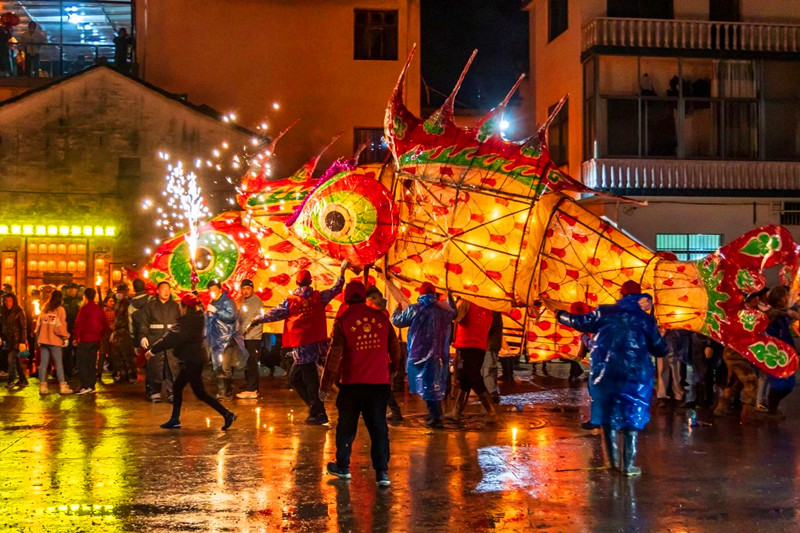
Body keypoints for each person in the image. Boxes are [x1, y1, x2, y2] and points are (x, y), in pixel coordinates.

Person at [556, 280, 668, 476]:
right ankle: (628, 466)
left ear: (620, 294)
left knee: (606, 414)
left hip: (605, 373)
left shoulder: (604, 311)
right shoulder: (646, 320)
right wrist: (661, 337)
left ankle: (612, 462)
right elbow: (659, 349)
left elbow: (580, 322)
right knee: (631, 416)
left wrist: (560, 314)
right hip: (636, 375)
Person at [320, 280, 400, 486]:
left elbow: (333, 356)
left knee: (346, 427)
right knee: (379, 428)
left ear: (345, 298)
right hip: (378, 384)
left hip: (352, 384)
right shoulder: (381, 319)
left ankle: (343, 467)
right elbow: (395, 348)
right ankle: (382, 473)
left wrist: (325, 386)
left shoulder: (343, 321)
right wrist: (391, 371)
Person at [248, 263, 348, 424]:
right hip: (317, 345)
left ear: (297, 282)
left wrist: (256, 320)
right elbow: (336, 289)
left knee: (310, 380)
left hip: (302, 347)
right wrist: (342, 272)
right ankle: (315, 408)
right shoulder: (318, 297)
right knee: (296, 377)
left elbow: (273, 314)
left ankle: (319, 412)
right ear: (310, 282)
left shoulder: (291, 301)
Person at [149, 293, 237, 431]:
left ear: (184, 306)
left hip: (192, 360)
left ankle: (227, 414)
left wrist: (153, 350)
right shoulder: (196, 318)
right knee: (177, 387)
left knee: (200, 393)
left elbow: (172, 338)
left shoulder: (188, 322)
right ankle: (175, 419)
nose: (178, 306)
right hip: (192, 358)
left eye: (180, 304)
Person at [391, 282, 457, 428]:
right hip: (439, 353)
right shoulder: (444, 309)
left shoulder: (415, 308)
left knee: (426, 384)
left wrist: (396, 310)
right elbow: (455, 313)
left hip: (419, 353)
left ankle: (436, 416)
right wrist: (450, 297)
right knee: (433, 384)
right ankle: (434, 413)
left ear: (421, 294)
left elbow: (398, 322)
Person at [447, 298, 497, 423]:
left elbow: (456, 318)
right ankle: (456, 412)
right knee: (465, 377)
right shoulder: (488, 306)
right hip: (480, 345)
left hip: (467, 344)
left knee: (473, 377)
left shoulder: (465, 302)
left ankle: (491, 411)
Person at [137, 281, 180, 403]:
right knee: (155, 367)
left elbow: (179, 323)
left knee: (171, 367)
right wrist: (143, 336)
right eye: (163, 289)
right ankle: (154, 391)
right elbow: (143, 323)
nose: (166, 291)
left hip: (171, 342)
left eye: (168, 289)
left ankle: (172, 392)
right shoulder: (150, 306)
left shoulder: (175, 306)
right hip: (155, 340)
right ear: (158, 291)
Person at [204, 280, 247, 400]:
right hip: (215, 339)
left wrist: (216, 311)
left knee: (225, 366)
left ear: (220, 290)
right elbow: (209, 320)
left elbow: (232, 316)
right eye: (210, 290)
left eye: (214, 290)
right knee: (217, 365)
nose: (212, 292)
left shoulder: (228, 301)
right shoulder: (212, 302)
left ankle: (227, 390)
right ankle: (221, 390)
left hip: (227, 339)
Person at [764, 286, 798, 417]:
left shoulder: (785, 313)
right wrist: (788, 313)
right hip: (776, 353)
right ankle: (772, 409)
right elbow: (771, 318)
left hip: (787, 352)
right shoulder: (773, 313)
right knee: (779, 383)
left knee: (789, 384)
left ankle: (771, 405)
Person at [72, 288, 109, 395]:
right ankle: (91, 385)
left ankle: (85, 385)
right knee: (91, 363)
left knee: (82, 363)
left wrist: (75, 337)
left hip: (85, 339)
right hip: (96, 340)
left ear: (85, 296)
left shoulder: (84, 309)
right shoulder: (99, 309)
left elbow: (78, 324)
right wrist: (99, 335)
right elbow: (105, 325)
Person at [35, 290, 72, 395]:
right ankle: (63, 386)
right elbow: (59, 327)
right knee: (58, 364)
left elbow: (38, 325)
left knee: (43, 364)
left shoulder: (45, 309)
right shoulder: (60, 310)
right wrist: (66, 337)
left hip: (43, 340)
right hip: (55, 341)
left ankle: (43, 386)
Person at [236, 279, 263, 399]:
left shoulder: (255, 301)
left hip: (253, 336)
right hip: (246, 336)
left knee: (252, 362)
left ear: (252, 289)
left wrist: (240, 332)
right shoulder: (244, 301)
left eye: (248, 288)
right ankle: (250, 385)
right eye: (243, 289)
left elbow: (250, 320)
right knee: (247, 361)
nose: (246, 291)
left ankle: (252, 389)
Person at [110, 285, 137, 384]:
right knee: (118, 355)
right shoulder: (118, 303)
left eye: (120, 291)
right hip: (118, 332)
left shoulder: (128, 303)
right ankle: (123, 375)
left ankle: (132, 376)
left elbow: (128, 318)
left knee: (127, 355)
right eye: (118, 291)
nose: (118, 294)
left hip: (125, 332)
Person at [2, 292, 28, 388]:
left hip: (16, 340)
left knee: (11, 359)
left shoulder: (19, 311)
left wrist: (22, 341)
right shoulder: (3, 311)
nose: (7, 303)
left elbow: (23, 328)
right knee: (15, 360)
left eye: (10, 301)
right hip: (8, 340)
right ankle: (23, 379)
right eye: (6, 301)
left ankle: (10, 381)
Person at [656, 328, 688, 405]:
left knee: (676, 368)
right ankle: (662, 395)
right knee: (662, 367)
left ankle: (678, 394)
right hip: (662, 336)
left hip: (674, 336)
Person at [482, 311, 503, 403]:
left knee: (488, 368)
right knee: (489, 367)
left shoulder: (492, 313)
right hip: (490, 344)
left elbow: (487, 329)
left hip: (490, 344)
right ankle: (491, 390)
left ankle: (492, 392)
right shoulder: (495, 312)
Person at [62, 283, 82, 377]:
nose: (72, 291)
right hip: (67, 329)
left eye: (74, 289)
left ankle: (77, 368)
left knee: (78, 350)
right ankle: (67, 370)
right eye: (70, 289)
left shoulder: (80, 301)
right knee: (66, 351)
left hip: (77, 329)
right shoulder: (64, 301)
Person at [98, 295, 116, 382]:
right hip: (103, 334)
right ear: (105, 303)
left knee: (112, 353)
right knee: (102, 353)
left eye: (113, 301)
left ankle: (115, 371)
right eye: (110, 301)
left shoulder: (116, 312)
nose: (112, 303)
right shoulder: (102, 311)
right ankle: (99, 372)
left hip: (112, 334)